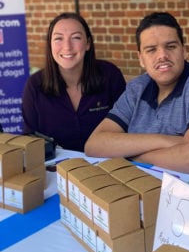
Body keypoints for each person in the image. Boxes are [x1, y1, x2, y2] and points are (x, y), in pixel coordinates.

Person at [85, 12, 189, 178]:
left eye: (171, 46)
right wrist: (167, 141)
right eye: (151, 50)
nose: (162, 55)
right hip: (142, 186)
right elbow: (94, 145)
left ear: (184, 51)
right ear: (141, 59)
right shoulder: (137, 88)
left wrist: (127, 154)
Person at [21, 12, 126, 152]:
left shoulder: (110, 75)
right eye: (58, 38)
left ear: (88, 43)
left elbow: (127, 127)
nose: (67, 47)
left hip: (108, 165)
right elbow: (29, 141)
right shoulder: (35, 85)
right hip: (56, 169)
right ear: (50, 45)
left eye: (76, 37)